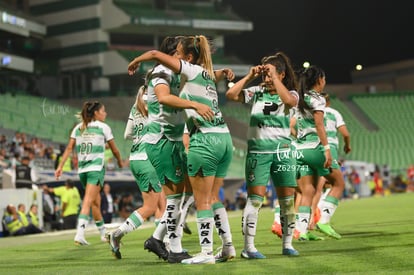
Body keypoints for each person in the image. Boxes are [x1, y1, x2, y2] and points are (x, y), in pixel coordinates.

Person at [128, 35, 236, 264]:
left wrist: (221, 73)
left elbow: (201, 77)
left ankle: (158, 238)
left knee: (187, 194)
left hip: (174, 139)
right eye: (175, 53)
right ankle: (173, 247)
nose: (177, 58)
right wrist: (194, 104)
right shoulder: (160, 73)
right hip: (161, 140)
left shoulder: (181, 73)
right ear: (171, 55)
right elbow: (164, 98)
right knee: (177, 197)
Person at [226, 52, 299, 258]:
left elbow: (290, 102)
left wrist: (275, 78)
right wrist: (249, 77)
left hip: (283, 153)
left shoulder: (292, 93)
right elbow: (231, 95)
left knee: (287, 202)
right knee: (255, 200)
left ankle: (287, 244)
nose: (265, 78)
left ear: (282, 74)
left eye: (270, 73)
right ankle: (248, 248)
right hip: (258, 153)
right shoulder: (256, 92)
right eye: (264, 73)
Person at [55, 101, 123, 245]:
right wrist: (120, 161)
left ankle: (104, 235)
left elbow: (68, 149)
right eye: (103, 111)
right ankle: (80, 233)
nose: (105, 113)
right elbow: (115, 149)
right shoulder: (103, 127)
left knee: (95, 202)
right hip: (95, 169)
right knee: (87, 201)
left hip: (82, 171)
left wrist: (60, 166)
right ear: (96, 113)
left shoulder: (78, 128)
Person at [108, 85, 164, 259]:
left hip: (135, 158)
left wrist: (141, 138)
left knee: (162, 203)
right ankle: (117, 234)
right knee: (150, 207)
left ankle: (164, 241)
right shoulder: (157, 105)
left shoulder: (136, 107)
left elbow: (127, 134)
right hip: (149, 159)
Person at [294, 65, 346, 240]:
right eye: (324, 79)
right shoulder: (318, 99)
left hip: (300, 150)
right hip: (315, 148)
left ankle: (302, 231)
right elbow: (319, 125)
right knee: (338, 183)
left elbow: (292, 124)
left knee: (307, 190)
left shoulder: (299, 98)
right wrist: (326, 149)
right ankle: (324, 220)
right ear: (319, 80)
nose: (325, 82)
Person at [309, 92, 351, 228]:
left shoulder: (311, 111)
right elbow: (345, 134)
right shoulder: (333, 113)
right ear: (329, 102)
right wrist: (347, 145)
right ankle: (322, 220)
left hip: (311, 148)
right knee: (338, 184)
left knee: (313, 189)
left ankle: (308, 222)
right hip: (328, 148)